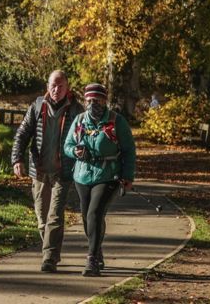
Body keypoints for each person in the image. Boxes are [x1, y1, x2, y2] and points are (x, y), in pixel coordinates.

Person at [11, 70, 84, 273]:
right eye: (53, 85)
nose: (56, 90)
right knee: (42, 219)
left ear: (67, 88)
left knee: (54, 216)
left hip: (63, 171)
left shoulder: (76, 110)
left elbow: (84, 137)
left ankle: (49, 258)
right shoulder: (37, 106)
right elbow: (22, 134)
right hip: (40, 170)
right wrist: (17, 159)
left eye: (61, 86)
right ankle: (50, 250)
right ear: (47, 86)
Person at [63, 83, 136, 276]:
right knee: (87, 218)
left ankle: (91, 260)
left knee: (94, 213)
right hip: (82, 175)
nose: (92, 104)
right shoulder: (79, 121)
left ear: (104, 101)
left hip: (108, 175)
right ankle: (97, 249)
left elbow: (129, 151)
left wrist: (128, 177)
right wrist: (75, 151)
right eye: (88, 100)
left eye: (96, 100)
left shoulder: (116, 121)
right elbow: (67, 145)